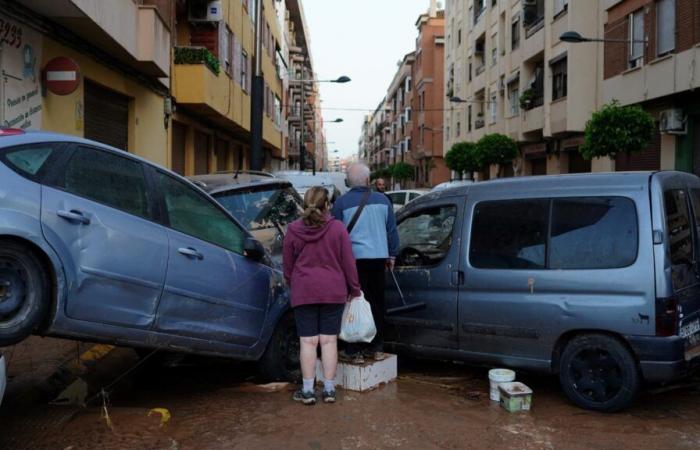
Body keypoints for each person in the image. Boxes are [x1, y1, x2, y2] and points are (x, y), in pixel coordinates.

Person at [283, 186, 362, 406]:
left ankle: (308, 391)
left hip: (304, 290)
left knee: (307, 342)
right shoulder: (337, 229)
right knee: (328, 342)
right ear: (327, 205)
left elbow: (287, 266)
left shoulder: (292, 229)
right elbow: (349, 263)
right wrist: (354, 289)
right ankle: (328, 390)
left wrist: (294, 282)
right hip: (333, 291)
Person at [332, 163, 399, 363]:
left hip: (352, 262)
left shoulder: (341, 203)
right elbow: (392, 231)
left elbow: (335, 235)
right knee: (377, 303)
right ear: (368, 181)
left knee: (354, 303)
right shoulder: (383, 201)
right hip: (379, 259)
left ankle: (354, 350)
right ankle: (377, 347)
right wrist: (392, 255)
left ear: (348, 183)